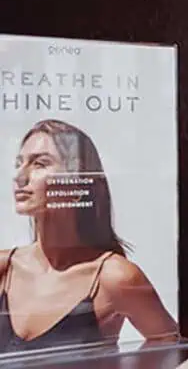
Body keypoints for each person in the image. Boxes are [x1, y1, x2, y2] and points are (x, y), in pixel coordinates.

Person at [1, 119, 178, 352]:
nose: (20, 176)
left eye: (40, 164)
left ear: (79, 181)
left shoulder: (115, 278)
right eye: (19, 163)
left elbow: (169, 344)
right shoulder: (5, 268)